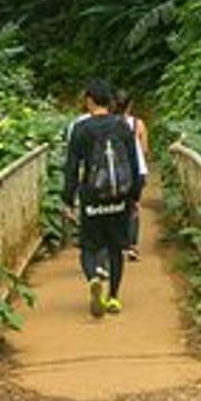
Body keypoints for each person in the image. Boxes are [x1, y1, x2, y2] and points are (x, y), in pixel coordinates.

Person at [62, 78, 143, 318]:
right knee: (116, 248)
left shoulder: (81, 129)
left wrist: (68, 199)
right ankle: (114, 298)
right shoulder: (122, 126)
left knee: (89, 247)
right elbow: (134, 163)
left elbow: (72, 167)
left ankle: (94, 279)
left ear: (89, 100)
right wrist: (134, 196)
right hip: (119, 197)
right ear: (109, 101)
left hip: (93, 196)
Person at [114, 89, 151, 261]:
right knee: (133, 206)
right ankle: (131, 245)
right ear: (130, 105)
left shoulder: (110, 124)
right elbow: (144, 150)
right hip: (137, 171)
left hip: (116, 171)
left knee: (115, 206)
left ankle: (116, 243)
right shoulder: (138, 124)